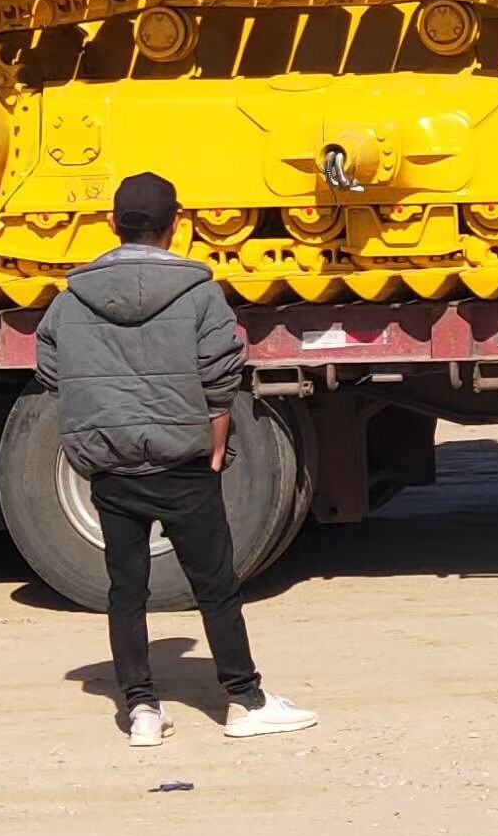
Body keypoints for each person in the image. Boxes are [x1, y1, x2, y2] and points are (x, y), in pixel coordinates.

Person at [40, 172, 319, 748]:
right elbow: (222, 375)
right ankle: (243, 701)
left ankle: (142, 710)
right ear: (176, 225)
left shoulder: (70, 299)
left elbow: (50, 369)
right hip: (184, 462)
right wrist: (216, 440)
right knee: (215, 585)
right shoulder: (199, 294)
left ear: (112, 224)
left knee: (126, 590)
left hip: (113, 466)